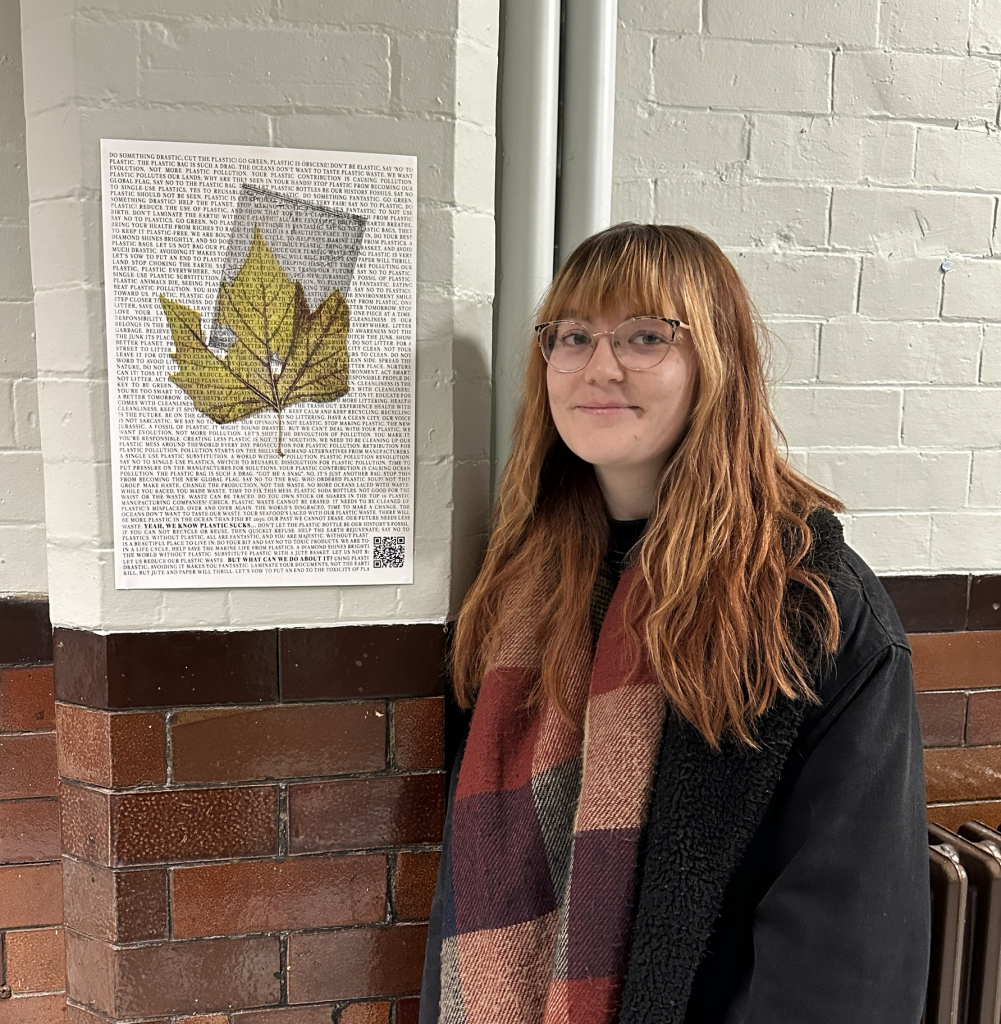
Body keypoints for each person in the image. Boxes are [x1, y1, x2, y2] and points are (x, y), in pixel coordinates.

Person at [419, 224, 930, 1024]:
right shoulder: (517, 593)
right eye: (573, 335)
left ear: (716, 362)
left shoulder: (807, 606)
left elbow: (844, 948)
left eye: (646, 335)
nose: (599, 365)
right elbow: (469, 895)